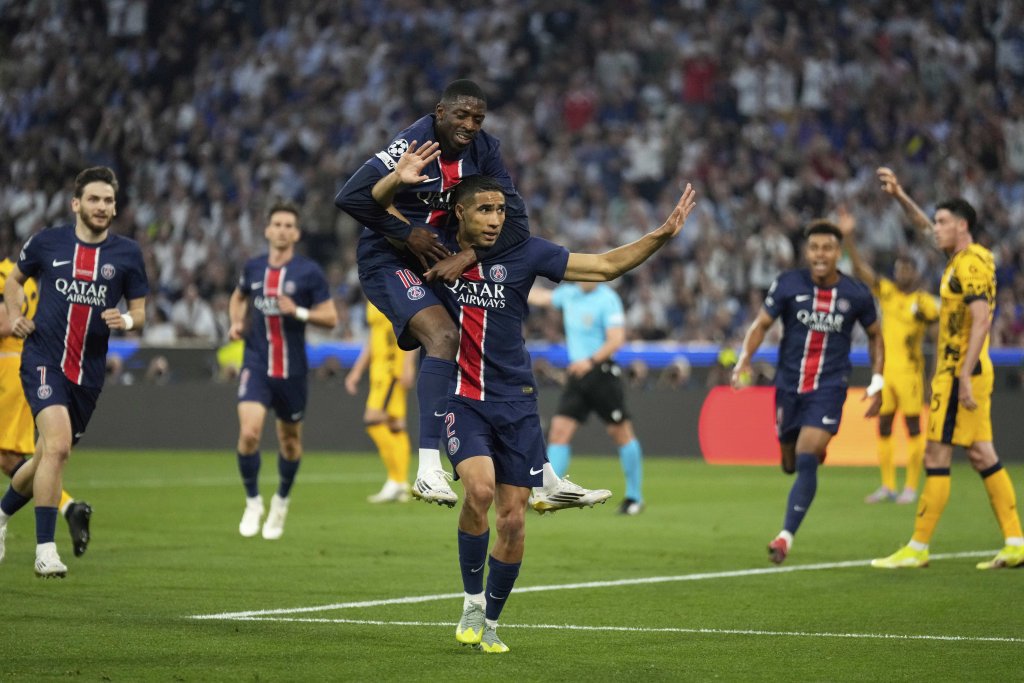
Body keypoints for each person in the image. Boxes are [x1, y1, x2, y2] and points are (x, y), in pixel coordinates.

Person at [375, 166, 696, 652]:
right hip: (463, 396)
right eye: (484, 209)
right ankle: (471, 601)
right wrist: (394, 176)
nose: (494, 219)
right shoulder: (433, 247)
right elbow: (377, 213)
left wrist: (662, 235)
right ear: (459, 212)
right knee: (479, 490)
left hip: (516, 403)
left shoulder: (526, 252)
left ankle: (492, 622)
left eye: (500, 210)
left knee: (514, 519)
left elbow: (605, 266)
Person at [335, 79, 609, 512]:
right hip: (389, 258)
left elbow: (516, 223)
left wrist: (469, 255)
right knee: (444, 337)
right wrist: (406, 233)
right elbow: (350, 196)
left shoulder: (485, 149)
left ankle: (545, 479)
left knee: (495, 343)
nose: (469, 125)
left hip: (441, 254)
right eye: (461, 115)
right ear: (439, 112)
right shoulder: (413, 143)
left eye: (477, 118)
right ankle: (428, 467)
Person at [871, 167, 1024, 570]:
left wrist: (962, 375)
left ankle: (918, 547)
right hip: (966, 372)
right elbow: (922, 227)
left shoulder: (970, 265)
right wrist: (900, 195)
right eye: (936, 221)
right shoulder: (964, 259)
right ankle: (1015, 541)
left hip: (959, 373)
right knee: (982, 454)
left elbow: (982, 320)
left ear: (962, 225)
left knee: (936, 454)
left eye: (942, 222)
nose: (934, 228)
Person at [0, 166, 148, 578]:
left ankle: (1, 515)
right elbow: (14, 282)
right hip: (42, 360)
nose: (101, 206)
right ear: (76, 204)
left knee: (46, 456)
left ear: (114, 208)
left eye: (108, 201)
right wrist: (15, 315)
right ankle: (45, 550)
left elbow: (140, 311)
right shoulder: (47, 242)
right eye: (94, 199)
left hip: (87, 374)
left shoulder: (127, 254)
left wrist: (127, 320)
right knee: (59, 446)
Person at [732, 219, 884, 565]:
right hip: (788, 387)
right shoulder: (788, 283)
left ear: (838, 252)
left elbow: (876, 335)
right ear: (806, 251)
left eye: (827, 248)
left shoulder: (856, 293)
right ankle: (812, 450)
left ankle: (785, 537)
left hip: (829, 387)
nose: (820, 255)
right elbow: (761, 324)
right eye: (814, 248)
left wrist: (877, 379)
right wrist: (744, 360)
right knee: (790, 463)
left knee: (805, 456)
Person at [228, 201, 338, 540]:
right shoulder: (253, 267)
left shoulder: (308, 272)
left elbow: (331, 318)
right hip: (257, 364)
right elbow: (238, 297)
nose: (282, 230)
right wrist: (235, 322)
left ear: (297, 233)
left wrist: (299, 312)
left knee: (290, 443)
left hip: (292, 371)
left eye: (289, 225)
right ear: (267, 230)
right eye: (277, 224)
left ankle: (281, 501)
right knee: (249, 433)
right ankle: (253, 501)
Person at [836, 207, 939, 505]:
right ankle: (888, 485)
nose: (901, 273)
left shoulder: (924, 303)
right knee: (883, 426)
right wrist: (848, 238)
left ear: (915, 273)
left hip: (910, 373)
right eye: (898, 268)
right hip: (886, 373)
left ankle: (911, 486)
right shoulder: (888, 293)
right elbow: (861, 270)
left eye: (906, 269)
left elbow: (939, 334)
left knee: (913, 427)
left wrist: (934, 373)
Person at [0, 255, 93, 557]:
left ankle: (66, 509)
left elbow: (4, 324)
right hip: (21, 366)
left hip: (8, 371)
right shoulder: (24, 276)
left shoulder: (4, 276)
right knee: (27, 456)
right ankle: (68, 508)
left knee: (13, 457)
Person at [527, 282, 646, 515]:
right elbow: (540, 297)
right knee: (559, 431)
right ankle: (548, 493)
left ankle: (635, 497)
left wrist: (590, 362)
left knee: (620, 433)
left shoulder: (608, 298)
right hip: (577, 375)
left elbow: (616, 339)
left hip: (601, 372)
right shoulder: (569, 294)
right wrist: (508, 278)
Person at [344, 300, 416, 503]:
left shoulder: (396, 291)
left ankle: (397, 480)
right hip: (379, 370)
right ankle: (399, 482)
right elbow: (373, 339)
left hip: (392, 369)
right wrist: (357, 371)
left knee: (373, 420)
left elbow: (411, 328)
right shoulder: (373, 294)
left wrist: (408, 365)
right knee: (395, 426)